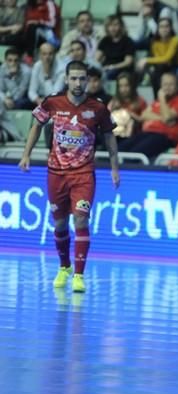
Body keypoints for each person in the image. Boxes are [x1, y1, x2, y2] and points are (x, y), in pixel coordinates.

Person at [17, 61, 120, 293]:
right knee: (60, 223)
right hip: (56, 173)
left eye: (82, 78)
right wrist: (26, 155)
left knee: (81, 220)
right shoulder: (52, 102)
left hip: (83, 174)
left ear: (88, 80)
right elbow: (36, 126)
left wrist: (115, 167)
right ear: (66, 79)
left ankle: (79, 275)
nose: (78, 83)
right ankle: (64, 267)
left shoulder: (98, 108)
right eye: (73, 78)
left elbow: (110, 138)